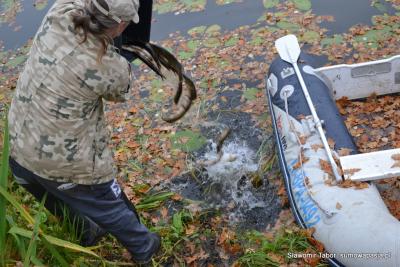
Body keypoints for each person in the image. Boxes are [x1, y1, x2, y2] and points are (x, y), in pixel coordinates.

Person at [8, 0, 160, 264]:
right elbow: (119, 92)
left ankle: (86, 233)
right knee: (107, 203)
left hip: (18, 147)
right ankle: (144, 246)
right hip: (61, 161)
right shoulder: (111, 68)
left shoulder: (59, 13)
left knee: (53, 195)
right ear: (122, 25)